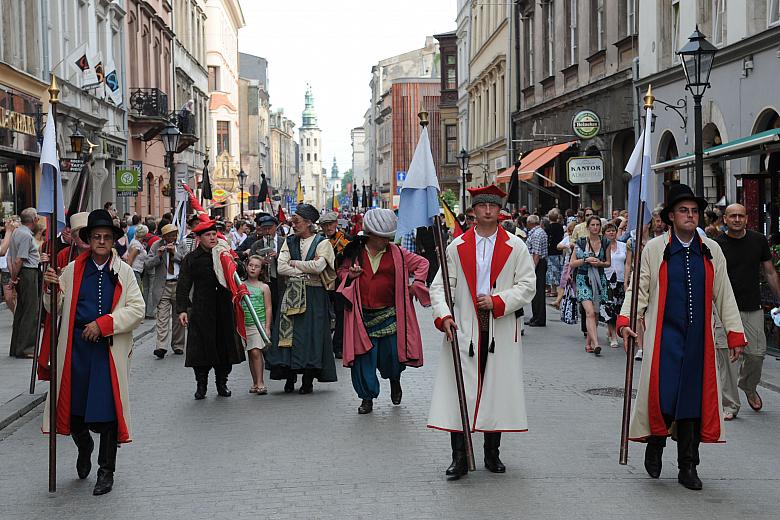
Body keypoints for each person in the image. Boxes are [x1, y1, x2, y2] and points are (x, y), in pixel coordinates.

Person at [619, 183, 746, 491]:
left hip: (698, 341)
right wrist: (626, 319)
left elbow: (723, 293)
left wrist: (734, 332)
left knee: (691, 402)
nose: (690, 216)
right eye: (683, 211)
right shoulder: (655, 249)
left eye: (694, 211)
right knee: (664, 397)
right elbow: (640, 288)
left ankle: (688, 465)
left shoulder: (711, 250)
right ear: (671, 216)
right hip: (665, 338)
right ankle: (655, 443)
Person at [428, 185, 536, 480]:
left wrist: (499, 301)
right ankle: (459, 457)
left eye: (493, 205)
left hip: (498, 325)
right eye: (482, 205)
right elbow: (440, 287)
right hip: (464, 325)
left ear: (499, 210)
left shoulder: (516, 246)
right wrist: (445, 316)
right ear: (473, 210)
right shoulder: (456, 246)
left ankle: (492, 452)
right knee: (459, 391)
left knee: (495, 389)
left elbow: (528, 285)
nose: (488, 210)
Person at [40, 209, 145, 496]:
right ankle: (84, 445)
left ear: (113, 241)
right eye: (96, 237)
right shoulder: (72, 270)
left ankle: (105, 471)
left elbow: (137, 309)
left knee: (108, 414)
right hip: (76, 351)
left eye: (106, 237)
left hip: (108, 352)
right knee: (75, 412)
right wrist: (50, 287)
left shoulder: (123, 271)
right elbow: (55, 308)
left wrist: (104, 324)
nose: (101, 241)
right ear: (88, 240)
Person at [338, 208, 429, 414]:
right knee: (363, 360)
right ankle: (366, 398)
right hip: (362, 317)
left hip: (390, 315)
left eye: (389, 236)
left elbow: (423, 263)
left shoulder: (398, 253)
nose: (386, 241)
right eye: (382, 237)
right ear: (370, 234)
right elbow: (341, 272)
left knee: (392, 358)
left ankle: (395, 380)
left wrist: (418, 284)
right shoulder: (354, 252)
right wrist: (350, 276)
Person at [264, 204, 338, 394]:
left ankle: (307, 379)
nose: (293, 225)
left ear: (308, 223)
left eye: (296, 222)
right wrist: (305, 268)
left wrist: (295, 263)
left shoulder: (323, 243)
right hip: (291, 295)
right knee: (288, 336)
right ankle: (289, 376)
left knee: (311, 336)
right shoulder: (289, 242)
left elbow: (319, 267)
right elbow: (281, 268)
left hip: (314, 295)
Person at [715, 203, 780, 415]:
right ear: (725, 219)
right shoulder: (717, 245)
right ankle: (730, 405)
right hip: (725, 309)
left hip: (753, 306)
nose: (736, 219)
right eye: (732, 216)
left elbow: (769, 272)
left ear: (746, 219)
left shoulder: (758, 240)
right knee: (729, 359)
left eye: (740, 216)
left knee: (757, 355)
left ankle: (749, 386)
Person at [176, 220, 246, 399]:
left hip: (223, 308)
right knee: (201, 349)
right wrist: (182, 310)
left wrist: (233, 261)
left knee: (224, 347)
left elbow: (241, 273)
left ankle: (222, 383)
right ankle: (201, 385)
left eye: (214, 234)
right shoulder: (191, 259)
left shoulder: (224, 255)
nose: (213, 237)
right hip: (202, 310)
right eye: (208, 235)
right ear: (199, 238)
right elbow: (183, 285)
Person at [145, 224, 188, 359]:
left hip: (178, 285)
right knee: (162, 318)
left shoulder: (181, 245)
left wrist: (175, 253)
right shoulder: (156, 245)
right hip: (163, 285)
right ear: (164, 237)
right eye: (169, 236)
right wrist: (158, 255)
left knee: (178, 318)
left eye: (174, 235)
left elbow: (187, 262)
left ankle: (178, 345)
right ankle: (161, 346)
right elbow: (147, 265)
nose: (172, 238)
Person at [570, 216, 611, 355]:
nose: (595, 227)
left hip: (599, 279)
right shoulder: (581, 242)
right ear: (588, 227)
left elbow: (608, 263)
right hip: (583, 278)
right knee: (590, 312)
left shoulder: (605, 242)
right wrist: (585, 260)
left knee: (596, 313)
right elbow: (572, 263)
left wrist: (599, 263)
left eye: (597, 225)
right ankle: (596, 343)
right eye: (592, 225)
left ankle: (589, 343)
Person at [7, 208, 41, 358]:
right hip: (28, 272)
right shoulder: (26, 235)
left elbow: (12, 258)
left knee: (21, 311)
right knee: (30, 311)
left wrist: (14, 277)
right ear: (33, 220)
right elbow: (19, 259)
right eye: (37, 217)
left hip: (23, 272)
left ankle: (16, 346)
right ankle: (26, 348)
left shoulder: (17, 232)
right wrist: (14, 278)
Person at [319, 211, 351, 359]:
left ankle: (338, 346)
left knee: (340, 314)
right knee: (323, 314)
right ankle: (323, 345)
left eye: (330, 224)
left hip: (339, 282)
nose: (328, 228)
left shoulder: (346, 240)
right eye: (325, 225)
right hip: (323, 281)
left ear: (336, 224)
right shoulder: (319, 241)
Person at [242, 255, 272, 394]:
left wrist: (266, 327)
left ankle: (260, 382)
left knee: (255, 351)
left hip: (257, 324)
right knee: (251, 352)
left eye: (257, 266)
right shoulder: (241, 285)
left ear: (261, 270)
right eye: (251, 265)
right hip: (244, 324)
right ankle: (255, 382)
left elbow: (268, 307)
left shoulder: (264, 287)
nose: (253, 268)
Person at [603, 221, 627, 349]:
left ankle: (615, 331)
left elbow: (628, 263)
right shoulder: (603, 246)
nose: (611, 232)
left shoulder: (623, 246)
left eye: (613, 230)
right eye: (608, 231)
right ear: (604, 234)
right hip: (607, 280)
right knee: (609, 308)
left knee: (620, 309)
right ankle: (613, 336)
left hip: (621, 280)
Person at [525, 214, 548, 327]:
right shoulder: (538, 232)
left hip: (538, 264)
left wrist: (532, 268)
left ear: (530, 223)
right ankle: (535, 316)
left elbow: (536, 253)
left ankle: (539, 318)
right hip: (538, 263)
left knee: (538, 292)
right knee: (535, 291)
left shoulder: (537, 233)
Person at [546, 209, 565, 300]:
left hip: (551, 251)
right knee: (559, 270)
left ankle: (553, 290)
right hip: (559, 251)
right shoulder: (560, 227)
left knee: (552, 271)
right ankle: (559, 289)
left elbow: (548, 240)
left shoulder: (548, 228)